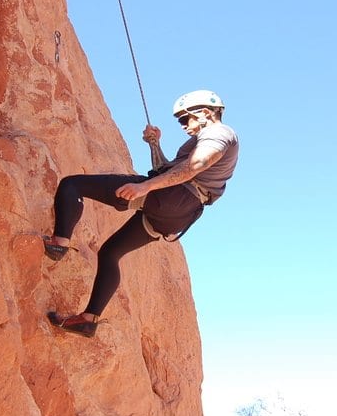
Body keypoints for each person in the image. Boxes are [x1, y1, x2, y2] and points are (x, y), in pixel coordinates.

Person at [45, 90, 239, 338]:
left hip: (173, 198)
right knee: (110, 252)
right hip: (178, 213)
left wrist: (144, 187)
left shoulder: (218, 133)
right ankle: (88, 320)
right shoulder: (207, 138)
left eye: (185, 119)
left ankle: (59, 243)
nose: (183, 125)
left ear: (204, 112)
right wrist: (155, 145)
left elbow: (196, 166)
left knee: (73, 185)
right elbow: (166, 170)